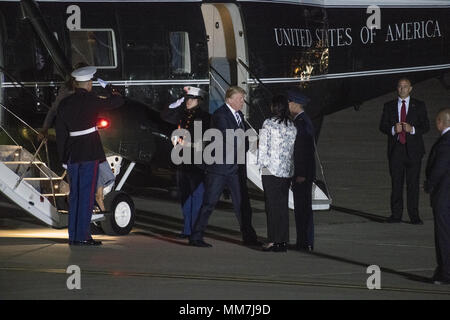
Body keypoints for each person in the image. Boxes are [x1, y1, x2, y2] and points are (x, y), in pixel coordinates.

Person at [55, 66, 124, 246]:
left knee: (75, 195)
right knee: (86, 196)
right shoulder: (92, 99)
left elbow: (61, 133)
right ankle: (83, 236)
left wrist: (63, 159)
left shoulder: (65, 103)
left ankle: (74, 236)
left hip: (71, 154)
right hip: (89, 152)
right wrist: (109, 87)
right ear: (89, 83)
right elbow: (117, 101)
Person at [189, 86, 259, 247]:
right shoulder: (220, 115)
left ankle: (249, 237)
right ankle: (196, 236)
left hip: (234, 169)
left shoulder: (239, 115)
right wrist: (249, 142)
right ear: (230, 100)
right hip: (219, 169)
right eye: (240, 99)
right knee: (209, 203)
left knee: (242, 204)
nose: (243, 102)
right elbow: (232, 138)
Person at [160, 86, 210, 238]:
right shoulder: (182, 115)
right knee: (185, 197)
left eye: (191, 99)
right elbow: (165, 115)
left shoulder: (205, 117)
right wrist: (179, 100)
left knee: (197, 197)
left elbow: (207, 142)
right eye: (187, 99)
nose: (188, 102)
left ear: (199, 101)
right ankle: (187, 229)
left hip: (197, 163)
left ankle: (195, 230)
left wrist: (188, 144)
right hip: (182, 162)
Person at [379, 78, 430, 224]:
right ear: (397, 88)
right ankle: (396, 215)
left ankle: (414, 215)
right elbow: (382, 126)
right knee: (396, 184)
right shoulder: (389, 106)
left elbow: (426, 126)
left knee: (413, 184)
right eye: (400, 87)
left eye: (405, 86)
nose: (402, 89)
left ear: (410, 88)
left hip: (414, 151)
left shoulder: (419, 105)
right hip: (396, 151)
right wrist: (393, 129)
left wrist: (412, 129)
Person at [258, 95, 297, 252]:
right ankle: (283, 240)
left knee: (271, 207)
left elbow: (263, 146)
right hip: (286, 170)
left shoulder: (268, 124)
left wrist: (262, 164)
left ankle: (273, 240)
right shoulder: (291, 125)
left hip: (271, 170)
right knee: (282, 206)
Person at [424, 108, 450, 285]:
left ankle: (445, 272)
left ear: (441, 122)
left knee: (443, 236)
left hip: (444, 196)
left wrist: (429, 184)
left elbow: (439, 168)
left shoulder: (445, 142)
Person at [288, 89, 316, 252]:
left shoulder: (301, 123)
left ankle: (305, 242)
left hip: (302, 173)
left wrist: (301, 174)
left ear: (295, 104)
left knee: (303, 209)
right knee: (302, 209)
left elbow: (303, 152)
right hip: (303, 172)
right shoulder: (303, 121)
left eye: (289, 102)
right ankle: (304, 241)